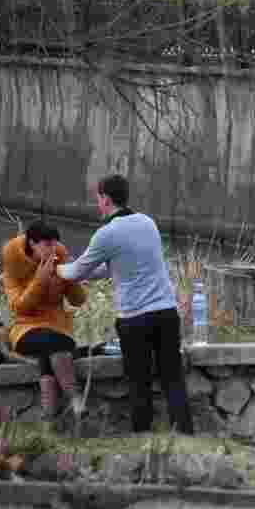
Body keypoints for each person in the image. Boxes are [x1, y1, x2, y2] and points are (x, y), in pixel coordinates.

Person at [56, 174, 195, 435]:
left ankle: (142, 436)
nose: (97, 204)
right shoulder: (148, 223)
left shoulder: (106, 234)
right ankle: (185, 433)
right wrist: (85, 272)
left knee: (139, 383)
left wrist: (53, 268)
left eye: (98, 199)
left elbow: (76, 271)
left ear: (106, 199)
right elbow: (117, 268)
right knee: (173, 379)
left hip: (135, 319)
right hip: (166, 313)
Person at [2, 221, 87, 420]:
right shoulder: (13, 260)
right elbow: (18, 307)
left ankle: (49, 414)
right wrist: (40, 281)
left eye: (55, 243)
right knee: (56, 342)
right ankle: (75, 397)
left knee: (49, 351)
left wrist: (70, 278)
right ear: (32, 243)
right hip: (26, 329)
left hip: (57, 327)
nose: (53, 249)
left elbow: (78, 300)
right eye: (47, 244)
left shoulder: (60, 255)